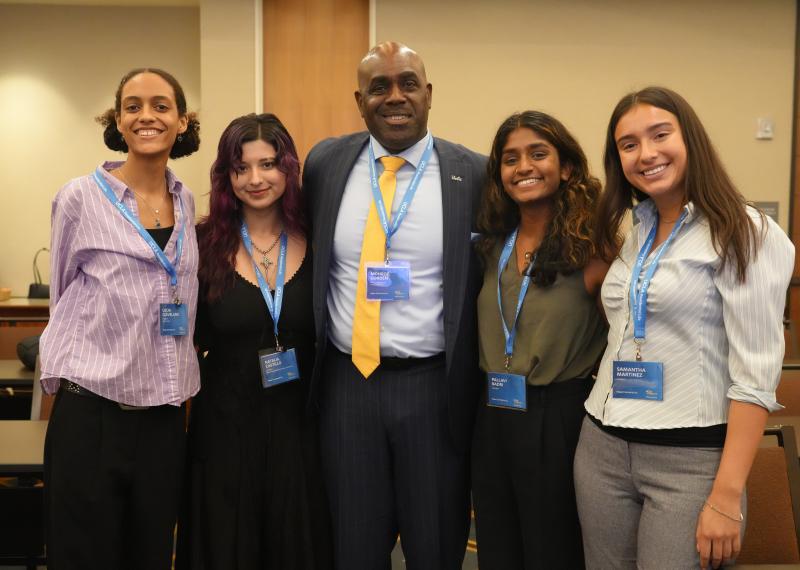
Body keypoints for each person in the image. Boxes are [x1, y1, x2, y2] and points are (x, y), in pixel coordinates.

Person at [574, 86, 795, 569]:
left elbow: (756, 378)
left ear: (690, 138)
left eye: (659, 135)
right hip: (601, 449)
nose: (646, 153)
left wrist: (726, 496)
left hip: (690, 460)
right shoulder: (638, 229)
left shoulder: (746, 232)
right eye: (628, 145)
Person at [302, 41, 486, 569]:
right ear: (359, 100)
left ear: (428, 95)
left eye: (408, 83)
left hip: (433, 390)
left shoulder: (472, 172)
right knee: (354, 549)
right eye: (379, 87)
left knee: (434, 546)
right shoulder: (325, 163)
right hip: (346, 386)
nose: (394, 96)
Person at [39, 67, 201, 570]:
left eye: (160, 105)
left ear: (181, 121)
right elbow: (62, 297)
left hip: (164, 421)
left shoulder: (186, 200)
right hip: (94, 416)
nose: (146, 116)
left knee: (151, 555)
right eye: (132, 106)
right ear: (118, 120)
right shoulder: (79, 198)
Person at [177, 113, 332, 570]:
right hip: (225, 432)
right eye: (240, 168)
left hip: (301, 431)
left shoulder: (320, 237)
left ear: (288, 168)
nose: (255, 179)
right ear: (226, 177)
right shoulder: (203, 245)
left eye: (267, 164)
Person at [472, 111, 608, 569]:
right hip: (492, 416)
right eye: (510, 159)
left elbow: (624, 336)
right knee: (497, 547)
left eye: (538, 153)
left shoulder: (594, 249)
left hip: (558, 417)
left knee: (553, 551)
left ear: (566, 167)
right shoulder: (492, 246)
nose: (523, 167)